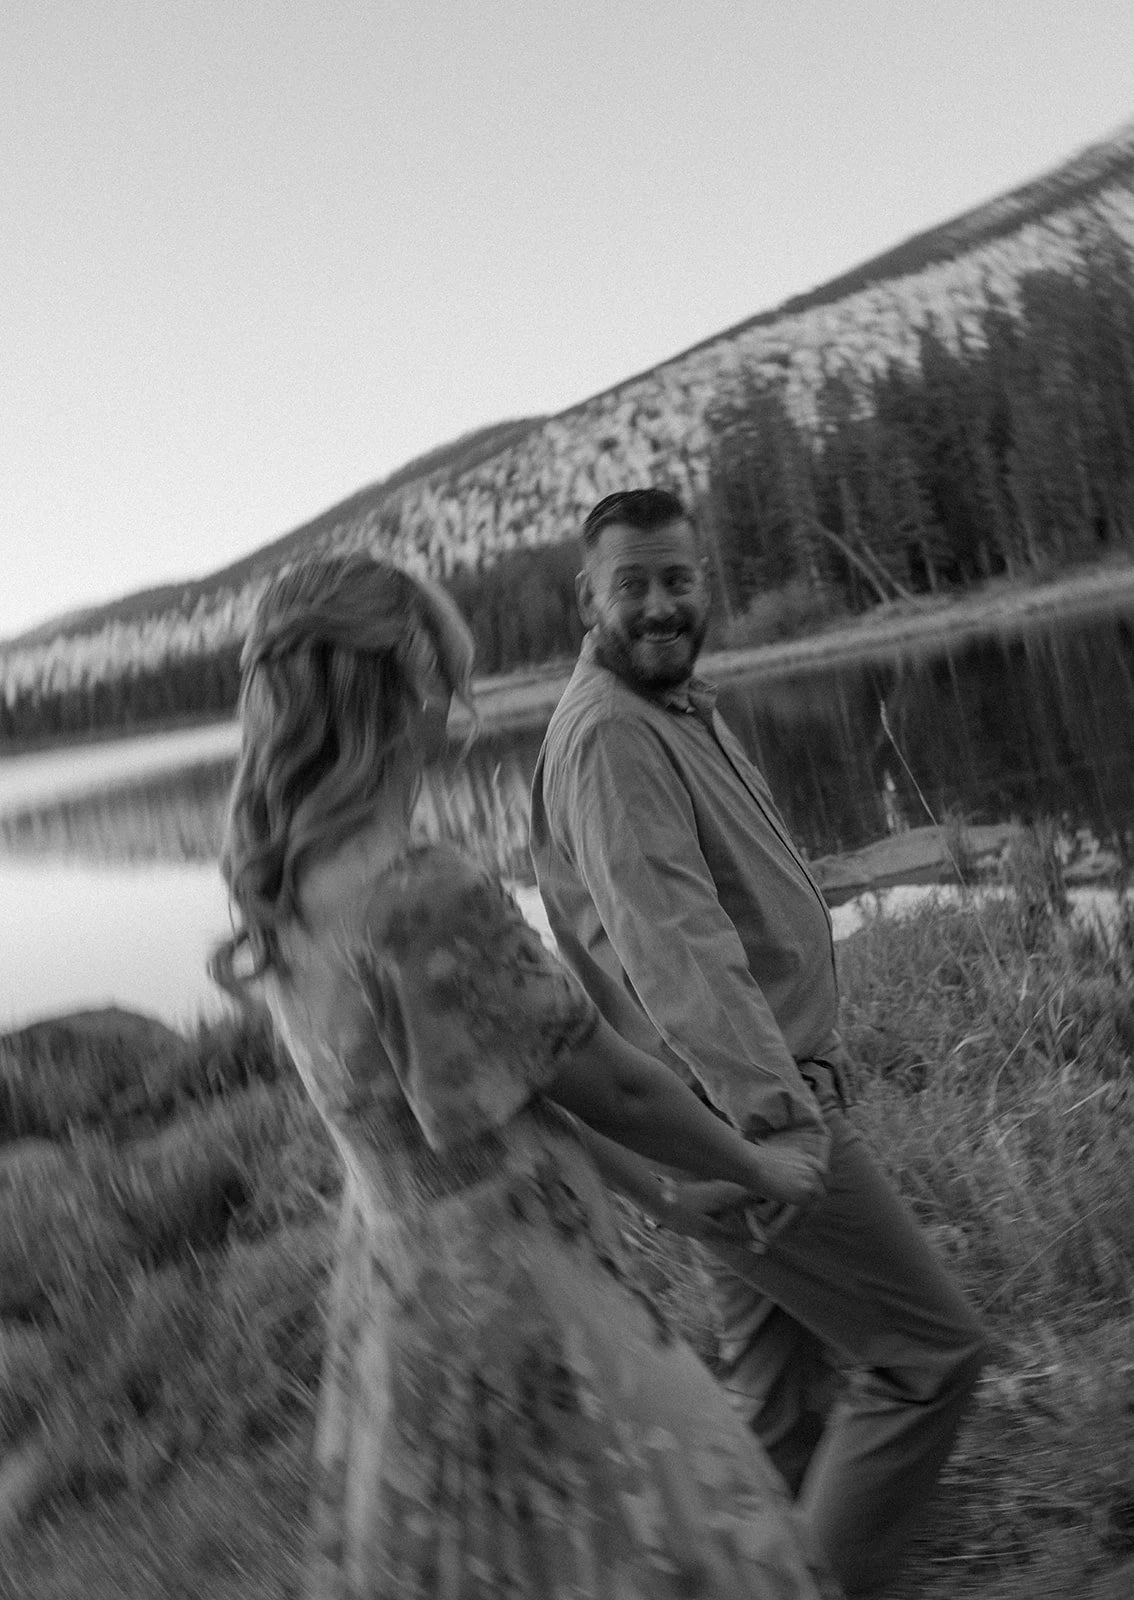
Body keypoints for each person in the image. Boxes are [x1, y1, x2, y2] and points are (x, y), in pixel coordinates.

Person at [210, 550, 841, 1600]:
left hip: (400, 1290)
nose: (452, 710)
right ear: (397, 687)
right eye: (443, 679)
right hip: (520, 1296)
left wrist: (670, 1194)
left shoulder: (288, 887)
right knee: (682, 1549)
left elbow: (507, 1091)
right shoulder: (419, 890)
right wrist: (761, 1165)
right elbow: (613, 1084)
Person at [529, 487, 988, 1599]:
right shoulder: (610, 738)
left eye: (677, 578)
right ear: (587, 598)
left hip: (742, 1104)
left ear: (705, 581)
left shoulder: (680, 704)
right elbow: (676, 947)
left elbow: (722, 901)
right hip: (747, 1115)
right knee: (927, 1357)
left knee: (781, 1412)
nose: (658, 604)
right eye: (630, 583)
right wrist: (778, 1128)